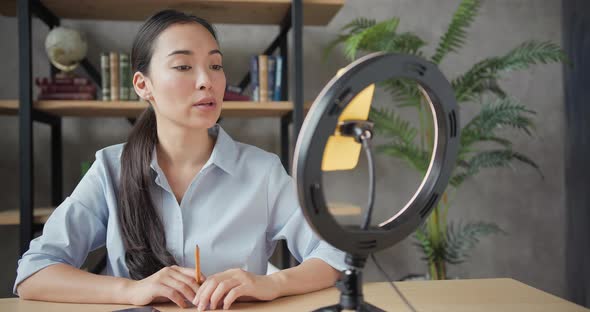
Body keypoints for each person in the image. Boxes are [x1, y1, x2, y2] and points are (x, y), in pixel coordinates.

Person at [14, 9, 345, 311]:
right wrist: (132, 290)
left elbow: (334, 252)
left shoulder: (263, 171)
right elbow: (34, 273)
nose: (207, 81)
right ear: (144, 85)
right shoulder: (110, 169)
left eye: (215, 65)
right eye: (183, 66)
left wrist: (271, 283)